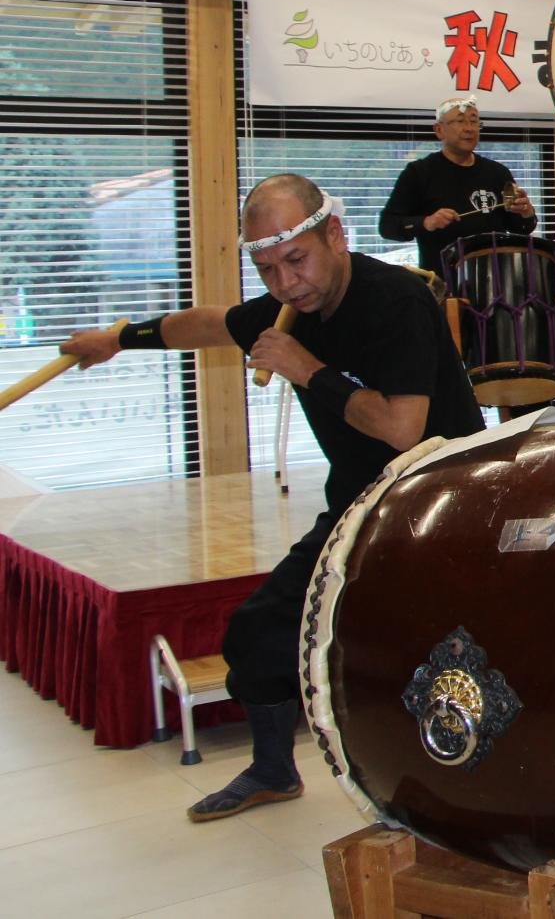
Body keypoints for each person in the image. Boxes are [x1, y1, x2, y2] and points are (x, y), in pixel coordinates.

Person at [62, 175, 483, 822]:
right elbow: (204, 324)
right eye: (267, 268)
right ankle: (272, 768)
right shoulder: (290, 309)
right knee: (258, 629)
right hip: (361, 502)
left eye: (296, 259)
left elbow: (404, 428)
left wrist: (307, 368)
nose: (286, 283)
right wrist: (117, 338)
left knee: (428, 640)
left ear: (335, 235)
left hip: (443, 498)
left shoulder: (394, 300)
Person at [379, 97, 538, 273]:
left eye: (474, 121)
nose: (469, 128)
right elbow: (387, 226)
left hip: (496, 281)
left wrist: (526, 213)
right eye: (460, 121)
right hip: (442, 282)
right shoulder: (419, 172)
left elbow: (521, 229)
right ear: (439, 130)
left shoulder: (497, 172)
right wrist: (426, 222)